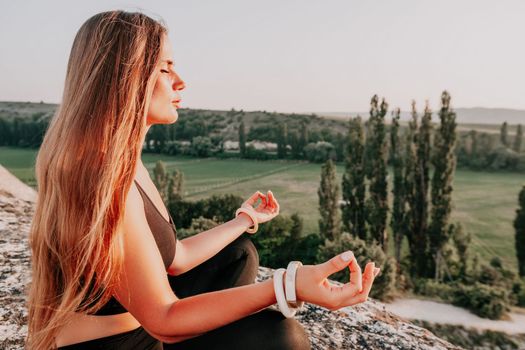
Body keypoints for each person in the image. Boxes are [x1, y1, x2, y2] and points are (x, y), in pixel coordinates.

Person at [25, 10, 381, 350]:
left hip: (143, 327)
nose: (180, 81)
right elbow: (163, 319)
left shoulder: (123, 161)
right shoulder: (100, 180)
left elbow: (174, 258)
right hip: (114, 346)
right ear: (124, 79)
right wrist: (287, 286)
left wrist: (244, 221)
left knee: (238, 253)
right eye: (164, 69)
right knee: (282, 338)